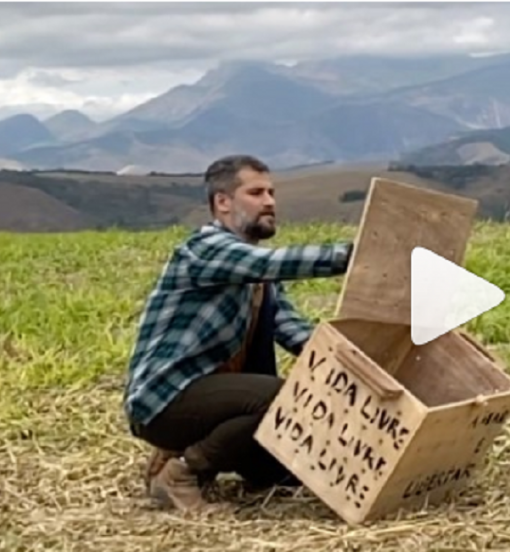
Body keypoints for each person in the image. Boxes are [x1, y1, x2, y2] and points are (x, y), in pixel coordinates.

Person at [121, 154, 354, 513]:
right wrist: (359, 255)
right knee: (282, 398)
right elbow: (272, 263)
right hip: (166, 398)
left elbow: (292, 330)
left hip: (213, 392)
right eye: (256, 192)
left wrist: (354, 361)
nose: (270, 202)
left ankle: (189, 447)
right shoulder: (204, 249)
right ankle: (183, 472)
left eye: (272, 192)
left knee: (284, 474)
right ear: (223, 202)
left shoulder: (257, 278)